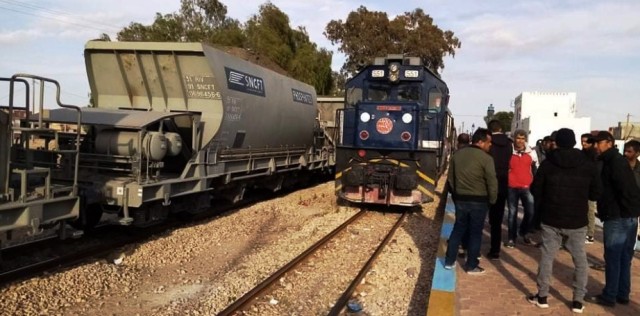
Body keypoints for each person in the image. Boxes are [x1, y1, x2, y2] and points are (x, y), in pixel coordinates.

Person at [528, 128, 601, 313]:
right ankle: (577, 300)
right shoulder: (587, 163)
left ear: (557, 142)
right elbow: (595, 193)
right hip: (577, 220)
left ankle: (542, 296)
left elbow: (535, 189)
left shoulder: (548, 163)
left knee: (547, 257)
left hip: (551, 217)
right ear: (574, 142)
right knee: (580, 260)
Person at [587, 131, 640, 307]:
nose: (596, 146)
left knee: (614, 257)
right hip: (626, 215)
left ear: (609, 143)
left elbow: (625, 189)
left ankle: (610, 295)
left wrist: (623, 212)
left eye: (598, 142)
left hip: (618, 216)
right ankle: (622, 293)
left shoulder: (614, 162)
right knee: (624, 257)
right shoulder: (611, 161)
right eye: (594, 143)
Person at [444, 128, 497, 275]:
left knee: (458, 228)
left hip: (460, 198)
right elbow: (492, 182)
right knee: (475, 232)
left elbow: (450, 178)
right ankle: (471, 265)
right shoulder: (486, 159)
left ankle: (449, 261)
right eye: (488, 142)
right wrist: (492, 200)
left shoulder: (457, 155)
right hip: (479, 201)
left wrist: (456, 194)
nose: (490, 145)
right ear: (480, 142)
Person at [505, 129, 538, 248]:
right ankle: (511, 238)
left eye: (522, 138)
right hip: (511, 187)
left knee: (530, 212)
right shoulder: (509, 151)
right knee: (512, 214)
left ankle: (523, 231)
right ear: (514, 138)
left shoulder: (531, 153)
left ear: (525, 140)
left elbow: (535, 170)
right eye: (518, 138)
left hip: (527, 187)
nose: (520, 141)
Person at [486, 120, 512, 260]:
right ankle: (495, 250)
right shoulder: (509, 144)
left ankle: (472, 248)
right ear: (501, 128)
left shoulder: (488, 142)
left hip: (488, 183)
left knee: (479, 217)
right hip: (502, 183)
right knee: (497, 220)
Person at [622, 140, 640, 251]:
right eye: (625, 151)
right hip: (618, 210)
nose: (626, 154)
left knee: (629, 244)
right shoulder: (619, 167)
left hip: (633, 211)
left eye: (629, 151)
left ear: (637, 153)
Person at [581, 133, 598, 244]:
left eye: (586, 142)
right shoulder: (581, 154)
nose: (583, 143)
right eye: (582, 141)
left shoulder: (594, 155)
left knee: (590, 211)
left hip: (591, 187)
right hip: (582, 186)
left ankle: (590, 235)